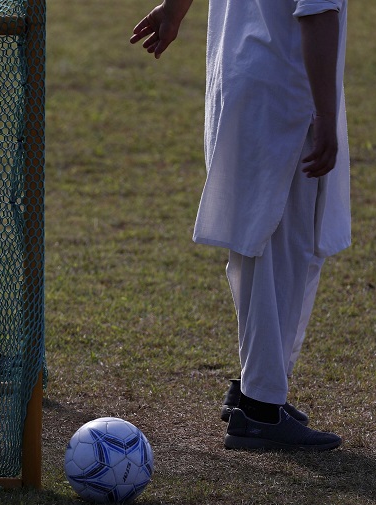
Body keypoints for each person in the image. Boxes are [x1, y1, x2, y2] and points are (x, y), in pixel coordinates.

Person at [131, 0, 350, 450]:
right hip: (284, 94)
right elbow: (317, 13)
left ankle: (260, 391)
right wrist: (326, 117)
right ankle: (261, 407)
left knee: (258, 248)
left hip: (238, 77)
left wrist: (174, 9)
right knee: (279, 250)